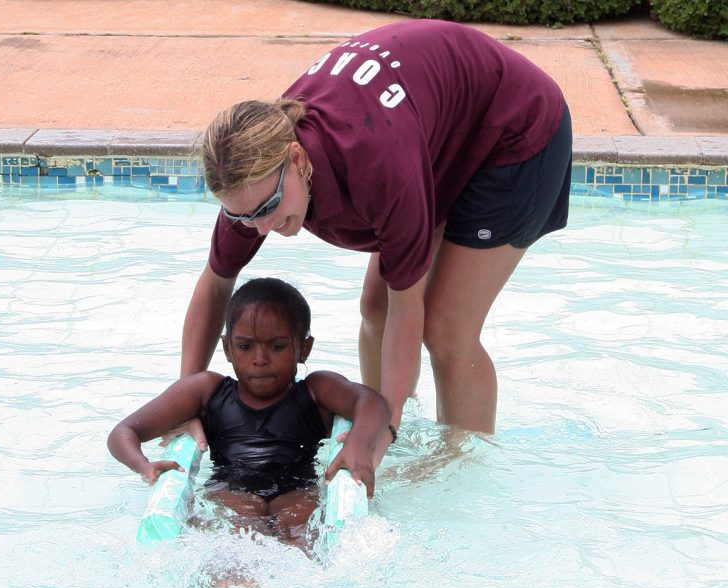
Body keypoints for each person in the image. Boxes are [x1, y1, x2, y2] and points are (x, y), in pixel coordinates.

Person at [181, 19, 572, 458]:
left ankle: (459, 465)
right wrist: (184, 404)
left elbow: (411, 308)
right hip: (438, 134)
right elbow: (215, 284)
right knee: (375, 306)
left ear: (296, 157)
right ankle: (393, 426)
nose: (261, 227)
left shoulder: (376, 166)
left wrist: (381, 434)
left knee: (445, 326)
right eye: (242, 216)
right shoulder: (250, 177)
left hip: (514, 127)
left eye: (269, 208)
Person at [108, 277, 391, 546]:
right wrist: (142, 465)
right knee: (236, 543)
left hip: (296, 492)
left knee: (302, 539)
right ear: (227, 348)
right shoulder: (207, 390)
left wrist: (359, 444)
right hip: (232, 491)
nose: (260, 360)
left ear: (304, 348)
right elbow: (124, 432)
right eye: (245, 346)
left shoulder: (315, 389)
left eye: (277, 347)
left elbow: (372, 402)